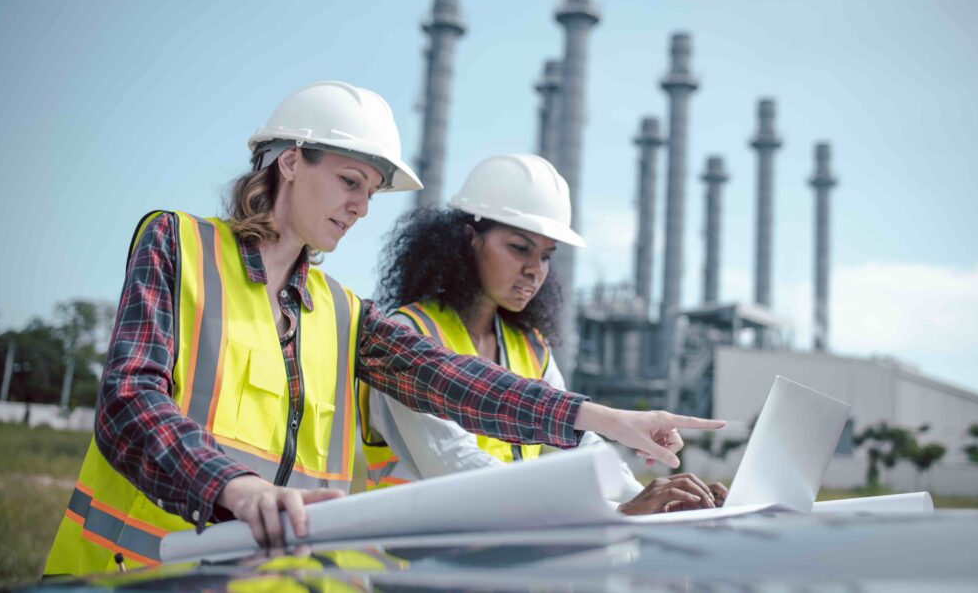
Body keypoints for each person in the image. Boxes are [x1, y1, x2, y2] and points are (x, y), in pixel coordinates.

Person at [44, 82, 724, 576]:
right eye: (349, 181)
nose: (362, 206)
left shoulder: (344, 312)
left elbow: (454, 381)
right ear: (289, 162)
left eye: (371, 191)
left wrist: (601, 418)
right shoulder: (178, 244)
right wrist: (233, 486)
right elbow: (130, 402)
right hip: (133, 568)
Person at [361, 154, 728, 515]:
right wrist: (617, 511)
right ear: (469, 239)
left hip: (499, 562)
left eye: (547, 255)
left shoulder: (531, 348)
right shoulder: (407, 337)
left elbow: (578, 446)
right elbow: (456, 467)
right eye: (519, 248)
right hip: (410, 566)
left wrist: (659, 500)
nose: (535, 270)